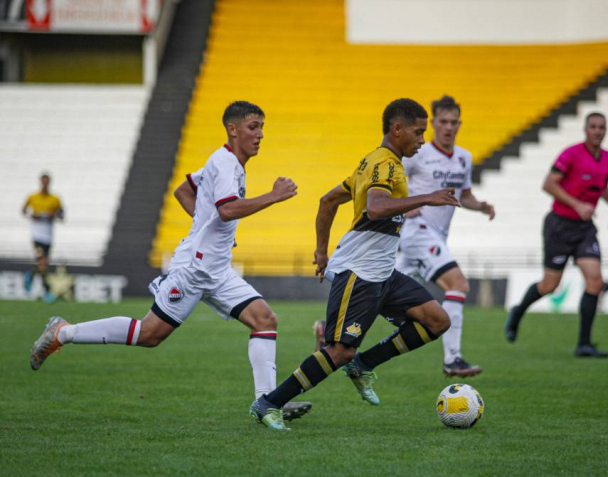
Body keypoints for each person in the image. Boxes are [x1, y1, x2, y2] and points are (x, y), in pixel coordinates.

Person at [30, 101, 311, 421]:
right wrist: (273, 196)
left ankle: (267, 402)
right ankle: (63, 332)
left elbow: (183, 191)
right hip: (194, 269)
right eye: (253, 127)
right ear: (232, 130)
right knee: (149, 335)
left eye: (262, 127)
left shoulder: (224, 162)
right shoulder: (224, 162)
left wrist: (202, 226)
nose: (260, 134)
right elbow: (227, 209)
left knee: (265, 320)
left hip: (216, 268)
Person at [250, 98, 458, 430]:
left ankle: (364, 365)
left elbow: (328, 200)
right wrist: (428, 197)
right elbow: (376, 209)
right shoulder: (384, 164)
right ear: (397, 129)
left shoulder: (372, 163)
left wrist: (321, 251)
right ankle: (269, 403)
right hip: (361, 271)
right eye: (418, 133)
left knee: (436, 320)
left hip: (382, 270)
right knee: (339, 351)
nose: (422, 140)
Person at [504, 112, 608, 358]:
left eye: (601, 127)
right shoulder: (571, 153)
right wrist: (577, 205)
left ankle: (584, 344)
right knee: (550, 285)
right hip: (559, 226)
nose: (597, 131)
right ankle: (518, 312)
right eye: (593, 126)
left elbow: (601, 187)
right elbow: (549, 184)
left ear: (606, 130)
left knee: (595, 280)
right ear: (585, 129)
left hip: (584, 229)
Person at [396, 95, 494, 377]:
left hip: (437, 236)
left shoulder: (464, 158)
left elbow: (465, 196)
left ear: (459, 124)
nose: (448, 127)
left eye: (454, 122)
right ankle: (453, 358)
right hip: (417, 232)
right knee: (458, 284)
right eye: (443, 122)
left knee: (377, 288)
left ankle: (328, 329)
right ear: (433, 123)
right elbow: (392, 181)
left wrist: (480, 206)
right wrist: (408, 206)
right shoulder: (420, 153)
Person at [22, 172, 64, 303]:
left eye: (47, 182)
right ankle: (47, 292)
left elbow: (62, 214)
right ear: (41, 182)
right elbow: (24, 210)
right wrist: (32, 215)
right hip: (37, 235)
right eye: (43, 182)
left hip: (48, 235)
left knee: (43, 265)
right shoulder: (33, 197)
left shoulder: (55, 199)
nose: (45, 184)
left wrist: (55, 215)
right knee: (43, 262)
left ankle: (31, 275)